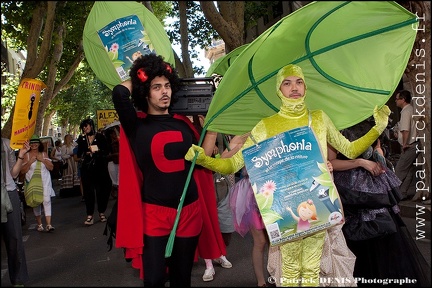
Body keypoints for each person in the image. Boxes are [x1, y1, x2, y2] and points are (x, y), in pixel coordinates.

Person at [186, 64, 390, 286]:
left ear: (305, 87)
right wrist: (204, 159)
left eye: (299, 82)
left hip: (318, 203)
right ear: (278, 90)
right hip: (285, 207)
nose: (294, 87)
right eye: (287, 82)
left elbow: (349, 149)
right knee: (290, 270)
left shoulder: (319, 118)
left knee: (312, 269)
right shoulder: (266, 126)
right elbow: (234, 163)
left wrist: (378, 128)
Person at [112, 53, 227, 287]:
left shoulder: (184, 123)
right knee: (154, 279)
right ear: (145, 91)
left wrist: (212, 129)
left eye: (167, 85)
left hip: (189, 211)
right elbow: (119, 93)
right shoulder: (136, 125)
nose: (164, 91)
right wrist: (143, 73)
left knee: (181, 279)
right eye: (156, 87)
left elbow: (203, 159)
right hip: (154, 213)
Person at [328, 119, 431, 287]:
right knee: (357, 244)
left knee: (387, 241)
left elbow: (378, 147)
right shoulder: (335, 126)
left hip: (375, 186)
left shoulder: (372, 122)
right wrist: (361, 162)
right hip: (350, 192)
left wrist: (378, 153)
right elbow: (330, 162)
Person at [193, 115, 233, 282]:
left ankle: (220, 253)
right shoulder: (193, 132)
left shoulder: (225, 130)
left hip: (224, 185)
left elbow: (232, 152)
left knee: (226, 226)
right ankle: (209, 264)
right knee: (206, 225)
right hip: (203, 186)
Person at [1, 138, 30, 286]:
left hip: (8, 193)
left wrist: (21, 155)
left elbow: (13, 173)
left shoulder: (7, 144)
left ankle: (18, 278)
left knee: (14, 239)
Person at [76, 118, 112, 225]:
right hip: (87, 169)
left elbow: (106, 151)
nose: (85, 128)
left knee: (102, 191)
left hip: (100, 168)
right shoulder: (82, 139)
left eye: (86, 126)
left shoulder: (100, 137)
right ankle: (90, 215)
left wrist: (97, 152)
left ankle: (101, 212)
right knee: (88, 192)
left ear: (91, 126)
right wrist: (85, 153)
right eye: (83, 127)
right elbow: (78, 154)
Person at [20, 135, 56, 232]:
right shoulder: (26, 155)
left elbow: (51, 167)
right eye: (32, 143)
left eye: (36, 143)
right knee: (36, 202)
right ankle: (39, 224)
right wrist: (29, 162)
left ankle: (49, 225)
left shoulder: (44, 154)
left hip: (45, 181)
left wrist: (42, 160)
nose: (34, 145)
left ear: (39, 144)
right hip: (32, 183)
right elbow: (22, 171)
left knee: (46, 201)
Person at [393, 90, 419, 201]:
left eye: (397, 99)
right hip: (415, 144)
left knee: (399, 170)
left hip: (410, 145)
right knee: (409, 171)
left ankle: (393, 194)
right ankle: (402, 193)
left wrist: (404, 144)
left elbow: (405, 130)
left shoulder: (405, 111)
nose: (395, 101)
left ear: (403, 99)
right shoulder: (412, 109)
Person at [104, 126, 120, 199]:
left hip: (119, 161)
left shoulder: (118, 141)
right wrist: (114, 154)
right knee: (114, 180)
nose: (115, 134)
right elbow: (106, 155)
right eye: (114, 133)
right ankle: (114, 191)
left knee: (118, 179)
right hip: (112, 162)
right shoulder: (107, 143)